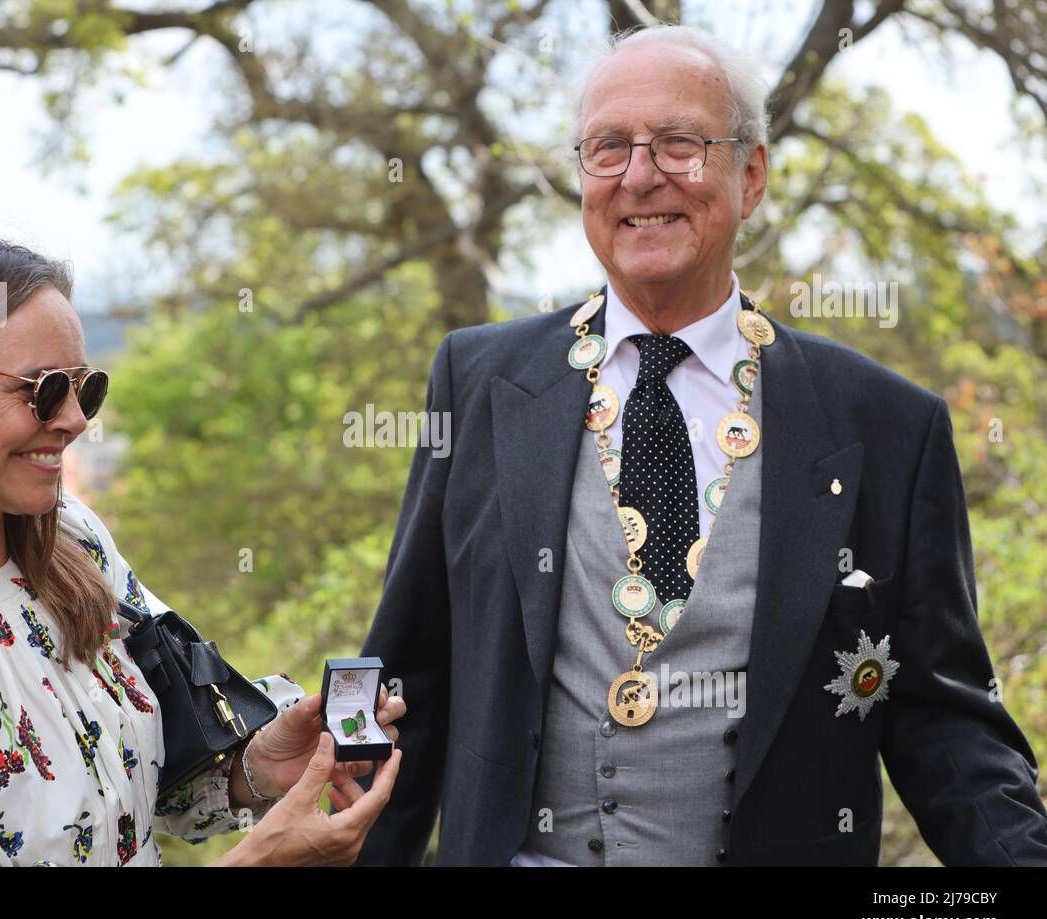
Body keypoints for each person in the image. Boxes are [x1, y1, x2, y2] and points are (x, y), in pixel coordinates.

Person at [354, 25, 1047, 866]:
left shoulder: (885, 424)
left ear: (750, 174)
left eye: (680, 143)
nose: (641, 175)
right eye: (608, 148)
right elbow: (407, 685)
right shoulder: (476, 381)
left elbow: (943, 719)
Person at [0, 237, 402, 867]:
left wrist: (260, 763)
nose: (75, 419)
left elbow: (144, 792)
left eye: (86, 387)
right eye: (45, 389)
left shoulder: (71, 538)